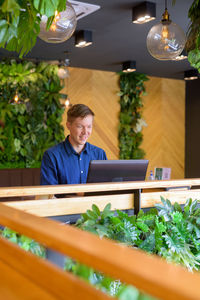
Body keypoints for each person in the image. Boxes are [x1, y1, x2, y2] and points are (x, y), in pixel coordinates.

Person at [40, 103, 107, 185]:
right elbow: (49, 194)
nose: (85, 132)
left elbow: (105, 189)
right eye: (80, 126)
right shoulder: (52, 156)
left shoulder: (100, 154)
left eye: (89, 127)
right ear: (68, 125)